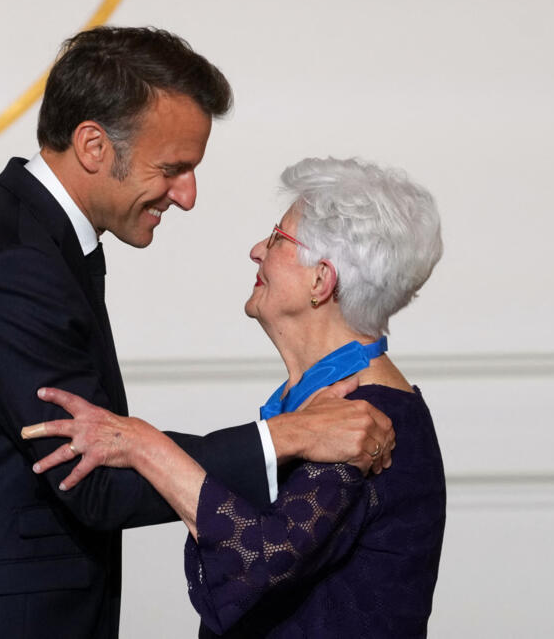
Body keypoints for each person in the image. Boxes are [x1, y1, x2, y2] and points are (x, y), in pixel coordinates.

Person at [0, 28, 395, 639]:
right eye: (173, 169)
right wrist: (288, 438)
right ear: (92, 144)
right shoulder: (14, 263)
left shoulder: (32, 238)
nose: (188, 196)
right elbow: (96, 477)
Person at [23, 156, 446, 637]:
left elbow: (255, 560)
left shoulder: (361, 422)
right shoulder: (328, 405)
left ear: (320, 280)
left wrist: (139, 443)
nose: (256, 250)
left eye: (277, 239)